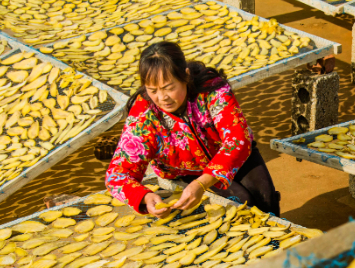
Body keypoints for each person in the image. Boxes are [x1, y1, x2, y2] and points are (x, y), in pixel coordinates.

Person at [105, 41, 280, 216]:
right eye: (153, 90)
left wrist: (203, 183)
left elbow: (238, 140)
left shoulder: (212, 89)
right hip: (187, 171)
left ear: (185, 76)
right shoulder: (144, 117)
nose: (162, 97)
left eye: (169, 88)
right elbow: (117, 176)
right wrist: (145, 196)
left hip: (234, 156)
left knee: (266, 200)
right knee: (241, 202)